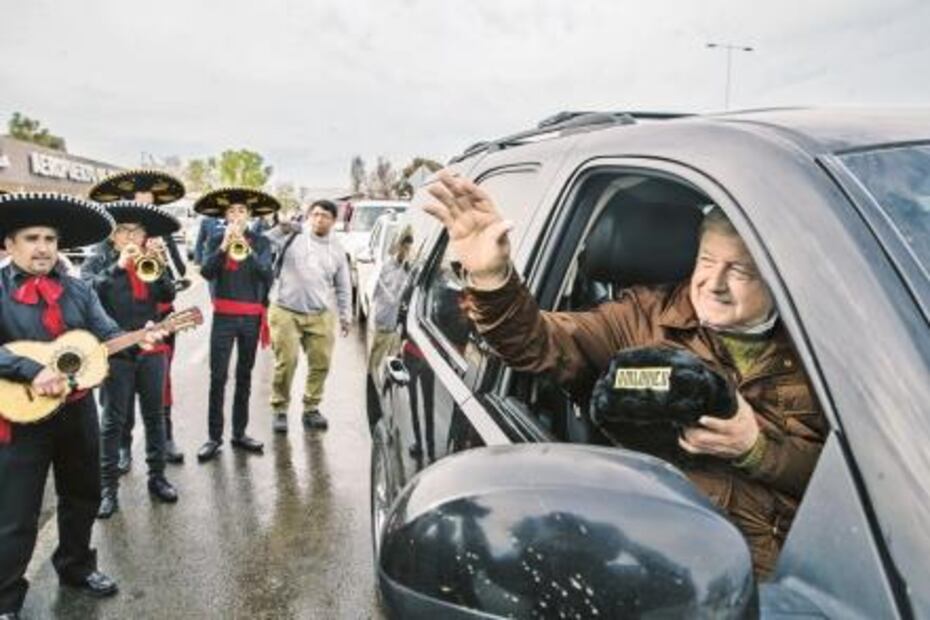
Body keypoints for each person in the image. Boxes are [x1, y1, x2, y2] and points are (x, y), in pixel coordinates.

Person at [422, 171, 828, 578]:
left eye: (740, 271)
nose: (714, 284)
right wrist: (492, 279)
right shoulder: (640, 319)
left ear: (778, 278)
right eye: (706, 261)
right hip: (694, 569)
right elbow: (539, 342)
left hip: (817, 570)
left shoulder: (821, 342)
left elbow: (847, 478)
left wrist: (757, 449)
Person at [0, 193, 163, 618]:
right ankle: (5, 598)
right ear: (9, 245)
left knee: (82, 495)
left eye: (50, 239)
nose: (42, 248)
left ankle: (76, 567)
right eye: (32, 238)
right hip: (22, 417)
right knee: (16, 512)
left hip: (76, 411)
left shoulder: (77, 289)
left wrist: (139, 338)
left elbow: (107, 334)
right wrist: (29, 369)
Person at [80, 201, 181, 518]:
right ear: (113, 237)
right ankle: (107, 490)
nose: (130, 236)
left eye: (136, 231)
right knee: (113, 422)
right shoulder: (98, 261)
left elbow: (168, 295)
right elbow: (85, 292)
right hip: (116, 353)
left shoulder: (150, 259)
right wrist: (118, 267)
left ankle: (157, 477)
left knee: (154, 417)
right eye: (123, 231)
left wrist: (159, 266)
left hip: (152, 350)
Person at [88, 169, 188, 464]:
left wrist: (161, 259)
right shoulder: (104, 250)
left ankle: (164, 441)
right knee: (118, 402)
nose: (146, 202)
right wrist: (119, 265)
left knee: (157, 389)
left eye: (150, 198)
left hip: (156, 327)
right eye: (139, 198)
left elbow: (175, 283)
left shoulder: (157, 238)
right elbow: (88, 291)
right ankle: (123, 447)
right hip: (116, 337)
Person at [193, 187, 278, 462]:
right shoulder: (216, 238)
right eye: (232, 211)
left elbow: (266, 275)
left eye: (242, 211)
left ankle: (239, 433)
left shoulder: (261, 241)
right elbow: (207, 272)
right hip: (224, 317)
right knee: (218, 377)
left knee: (244, 376)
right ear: (226, 216)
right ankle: (213, 437)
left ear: (249, 215)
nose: (237, 215)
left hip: (251, 318)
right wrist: (223, 247)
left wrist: (247, 249)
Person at [265, 199, 351, 433]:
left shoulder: (337, 249)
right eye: (315, 214)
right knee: (287, 362)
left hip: (320, 314)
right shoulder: (293, 236)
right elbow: (263, 242)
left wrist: (346, 315)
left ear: (333, 221)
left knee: (321, 363)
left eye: (325, 216)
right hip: (285, 310)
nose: (319, 219)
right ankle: (280, 409)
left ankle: (311, 408)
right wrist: (280, 228)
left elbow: (343, 285)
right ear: (309, 216)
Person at [367, 226, 413, 374]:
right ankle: (371, 380)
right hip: (386, 322)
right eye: (405, 248)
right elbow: (381, 293)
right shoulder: (387, 267)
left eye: (409, 249)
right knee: (376, 361)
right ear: (399, 246)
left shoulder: (411, 270)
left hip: (403, 327)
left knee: (392, 367)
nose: (407, 252)